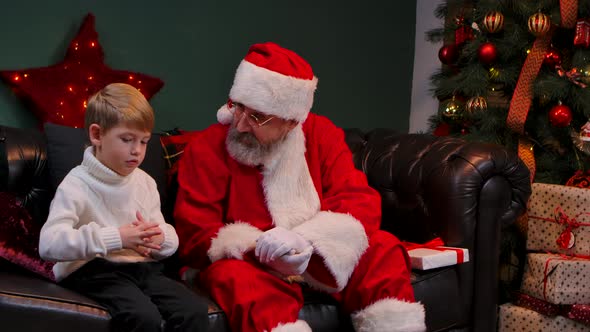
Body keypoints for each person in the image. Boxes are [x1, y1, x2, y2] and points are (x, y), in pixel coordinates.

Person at [174, 42, 426, 332]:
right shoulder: (208, 146)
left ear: (292, 122)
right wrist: (259, 249)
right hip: (252, 265)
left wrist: (306, 241)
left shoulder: (322, 134)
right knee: (234, 278)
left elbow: (357, 198)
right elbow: (195, 232)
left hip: (319, 259)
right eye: (238, 106)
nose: (241, 124)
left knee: (382, 247)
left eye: (256, 116)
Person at [39, 83, 209, 332]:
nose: (137, 151)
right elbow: (49, 244)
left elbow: (164, 233)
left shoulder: (145, 182)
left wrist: (159, 238)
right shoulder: (77, 183)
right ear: (97, 135)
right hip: (93, 270)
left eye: (144, 141)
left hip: (142, 268)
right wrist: (117, 237)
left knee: (193, 311)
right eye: (127, 139)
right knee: (142, 316)